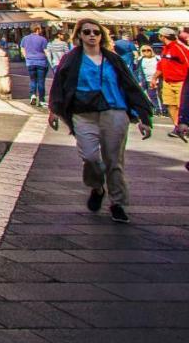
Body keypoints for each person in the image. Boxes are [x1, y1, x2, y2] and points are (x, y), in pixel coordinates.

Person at [48, 18, 153, 223]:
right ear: (79, 36)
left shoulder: (113, 59)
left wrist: (143, 117)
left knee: (114, 161)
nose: (92, 35)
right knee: (89, 157)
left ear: (101, 36)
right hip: (83, 114)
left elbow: (132, 87)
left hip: (114, 112)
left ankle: (117, 203)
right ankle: (97, 187)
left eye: (96, 32)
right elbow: (59, 86)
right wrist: (54, 110)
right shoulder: (70, 59)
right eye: (86, 32)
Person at [155, 27, 189, 130]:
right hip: (167, 82)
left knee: (182, 106)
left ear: (163, 36)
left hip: (181, 82)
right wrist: (154, 78)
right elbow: (161, 65)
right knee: (170, 104)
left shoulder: (179, 48)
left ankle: (184, 126)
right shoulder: (165, 48)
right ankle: (177, 126)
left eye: (159, 35)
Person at [21, 26, 50, 107]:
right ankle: (41, 100)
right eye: (40, 29)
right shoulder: (42, 39)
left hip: (30, 62)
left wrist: (26, 57)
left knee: (33, 80)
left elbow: (22, 49)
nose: (41, 30)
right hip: (41, 62)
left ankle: (33, 95)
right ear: (37, 29)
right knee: (41, 81)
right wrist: (50, 61)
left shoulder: (25, 38)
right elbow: (46, 51)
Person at [136, 45, 165, 115]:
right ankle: (157, 109)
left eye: (148, 50)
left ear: (151, 50)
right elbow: (138, 71)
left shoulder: (157, 58)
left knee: (161, 95)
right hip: (147, 79)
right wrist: (139, 81)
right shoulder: (140, 60)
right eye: (144, 50)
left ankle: (164, 110)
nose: (146, 52)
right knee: (152, 95)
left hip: (159, 79)